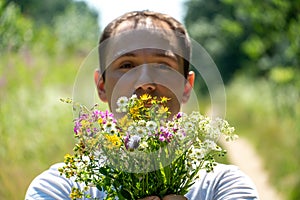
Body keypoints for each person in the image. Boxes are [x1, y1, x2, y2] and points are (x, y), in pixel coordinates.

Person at [25, 10, 259, 200]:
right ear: (102, 86)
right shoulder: (58, 188)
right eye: (126, 65)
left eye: (163, 66)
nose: (145, 82)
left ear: (186, 87)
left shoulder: (224, 187)